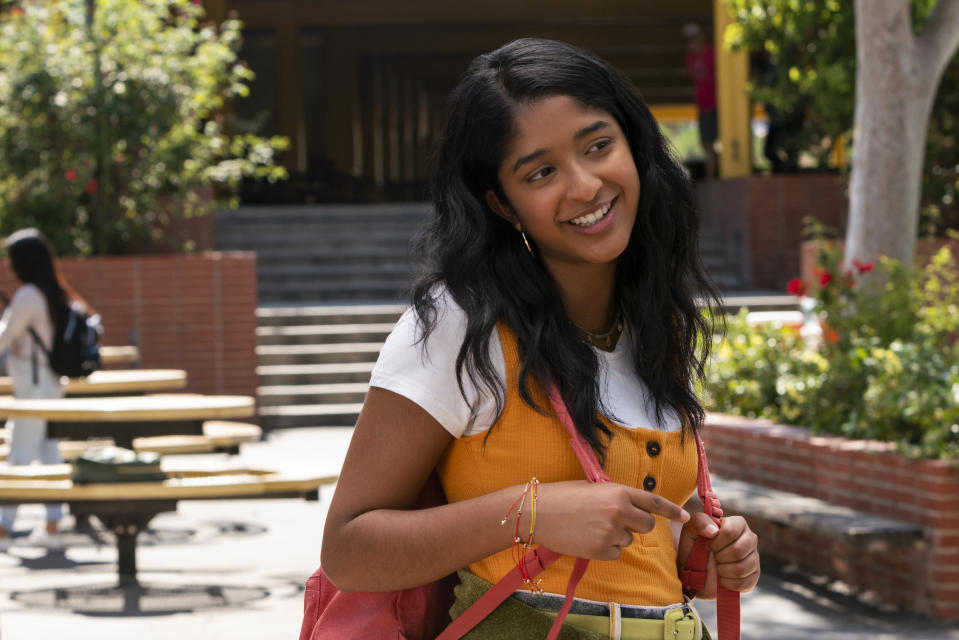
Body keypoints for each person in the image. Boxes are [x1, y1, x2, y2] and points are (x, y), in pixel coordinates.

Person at [321, 38, 759, 639]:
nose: (583, 186)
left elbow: (638, 532)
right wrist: (530, 514)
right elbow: (349, 548)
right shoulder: (458, 323)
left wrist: (701, 550)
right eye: (542, 172)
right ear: (503, 203)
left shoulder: (655, 319)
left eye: (598, 145)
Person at [0, 228, 83, 551]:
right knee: (49, 454)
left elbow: (5, 337)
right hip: (48, 384)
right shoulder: (50, 291)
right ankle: (52, 525)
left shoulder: (28, 296)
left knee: (19, 455)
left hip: (33, 388)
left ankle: (4, 529)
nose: (7, 265)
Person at [682, 22, 718, 180]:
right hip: (703, 107)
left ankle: (712, 177)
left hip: (715, 106)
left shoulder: (713, 53)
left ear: (702, 38)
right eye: (688, 41)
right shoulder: (690, 58)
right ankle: (712, 175)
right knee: (705, 143)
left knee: (710, 143)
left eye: (694, 39)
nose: (692, 44)